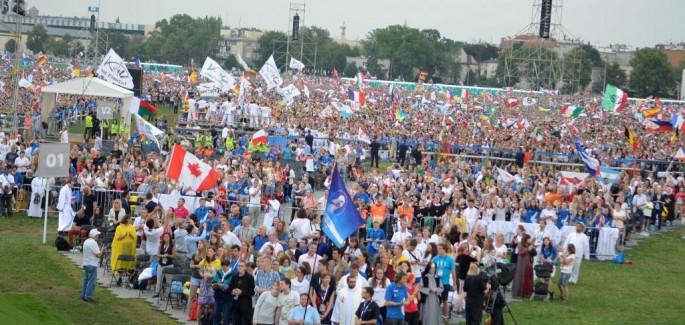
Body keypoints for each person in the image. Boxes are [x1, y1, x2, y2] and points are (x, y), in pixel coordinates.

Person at [432, 243, 456, 320]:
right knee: (435, 300)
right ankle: (435, 315)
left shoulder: (450, 259)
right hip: (436, 281)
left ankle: (445, 316)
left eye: (440, 248)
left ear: (444, 249)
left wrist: (455, 283)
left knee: (445, 300)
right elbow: (431, 269)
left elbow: (453, 272)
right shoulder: (435, 258)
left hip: (445, 282)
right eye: (438, 248)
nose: (438, 249)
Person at [110, 215, 137, 284]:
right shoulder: (119, 227)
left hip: (129, 248)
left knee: (128, 263)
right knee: (121, 264)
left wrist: (130, 235)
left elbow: (135, 238)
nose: (131, 220)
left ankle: (129, 278)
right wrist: (125, 235)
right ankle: (120, 278)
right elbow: (117, 238)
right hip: (120, 248)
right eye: (130, 219)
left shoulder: (132, 227)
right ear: (127, 219)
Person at [81, 228, 106, 302]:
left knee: (86, 280)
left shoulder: (86, 241)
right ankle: (88, 296)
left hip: (85, 263)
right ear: (95, 235)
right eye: (97, 235)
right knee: (92, 281)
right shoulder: (93, 243)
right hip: (92, 264)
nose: (98, 236)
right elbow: (98, 255)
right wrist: (102, 249)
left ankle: (83, 295)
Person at [511, 234, 536, 298]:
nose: (529, 240)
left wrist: (533, 249)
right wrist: (528, 249)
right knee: (521, 277)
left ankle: (528, 293)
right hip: (522, 264)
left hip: (529, 264)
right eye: (528, 239)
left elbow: (534, 254)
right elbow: (521, 253)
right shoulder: (520, 245)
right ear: (525, 239)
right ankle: (520, 292)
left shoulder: (529, 245)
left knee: (528, 279)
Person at [212, 259, 235, 325]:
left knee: (226, 317)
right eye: (223, 266)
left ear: (229, 266)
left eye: (226, 266)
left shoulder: (233, 274)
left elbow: (232, 286)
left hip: (227, 298)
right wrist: (214, 285)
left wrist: (223, 286)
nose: (224, 268)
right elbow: (214, 281)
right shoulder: (219, 273)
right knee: (216, 316)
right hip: (218, 297)